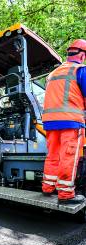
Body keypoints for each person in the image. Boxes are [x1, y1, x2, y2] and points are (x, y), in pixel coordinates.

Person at [42, 39, 86, 204]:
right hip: (71, 121)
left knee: (53, 155)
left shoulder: (52, 74)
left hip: (50, 122)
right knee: (69, 157)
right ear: (82, 55)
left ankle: (47, 188)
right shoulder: (80, 70)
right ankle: (66, 195)